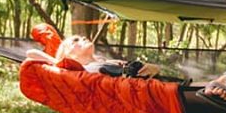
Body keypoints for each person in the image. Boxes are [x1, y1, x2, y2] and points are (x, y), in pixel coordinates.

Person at [26, 34, 160, 78]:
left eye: (82, 37)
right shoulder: (74, 70)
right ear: (68, 54)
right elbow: (31, 53)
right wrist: (59, 63)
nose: (83, 38)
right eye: (75, 41)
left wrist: (154, 69)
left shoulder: (105, 62)